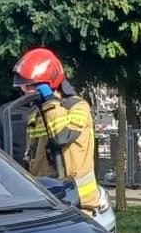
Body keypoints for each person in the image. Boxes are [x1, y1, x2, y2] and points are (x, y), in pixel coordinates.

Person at [14, 47, 104, 213]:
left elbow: (61, 136)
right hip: (48, 201)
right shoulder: (38, 115)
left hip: (79, 204)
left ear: (47, 84)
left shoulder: (78, 107)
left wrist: (49, 101)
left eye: (29, 86)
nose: (24, 91)